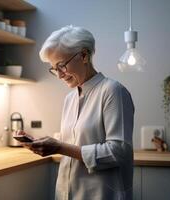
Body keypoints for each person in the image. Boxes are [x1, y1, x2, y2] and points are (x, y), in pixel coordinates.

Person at [15, 25, 135, 200]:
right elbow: (76, 141)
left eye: (62, 65)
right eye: (54, 68)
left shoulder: (113, 91)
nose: (59, 75)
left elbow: (119, 151)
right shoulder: (70, 99)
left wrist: (59, 147)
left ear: (84, 55)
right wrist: (42, 142)